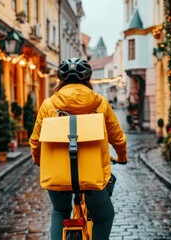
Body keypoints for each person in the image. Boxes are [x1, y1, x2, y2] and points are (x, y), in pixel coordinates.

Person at [29, 58, 127, 240]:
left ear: (61, 81)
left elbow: (35, 141)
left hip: (58, 175)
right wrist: (122, 156)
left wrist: (38, 160)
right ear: (87, 80)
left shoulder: (49, 105)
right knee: (104, 218)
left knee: (60, 211)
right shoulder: (100, 103)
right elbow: (118, 138)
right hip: (93, 177)